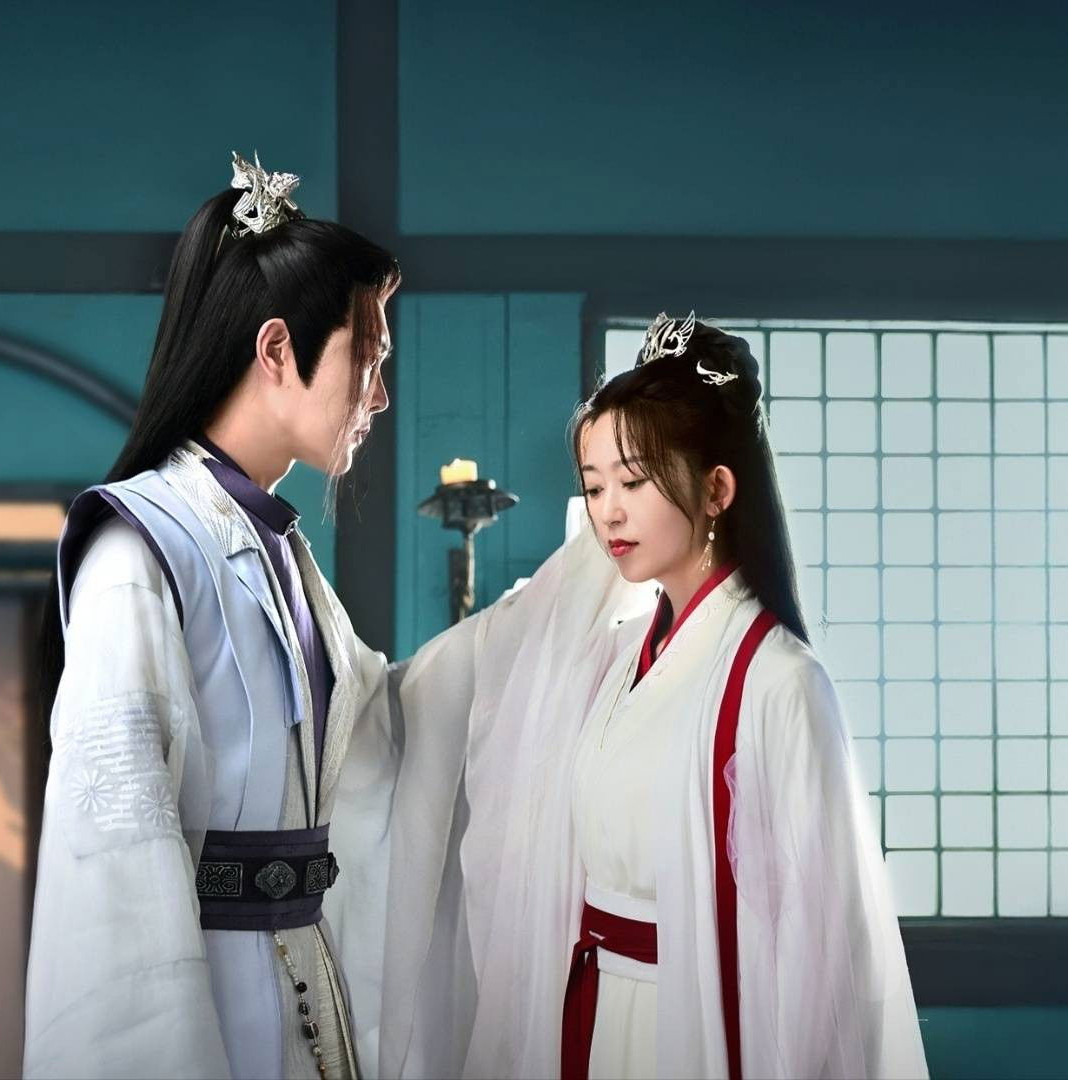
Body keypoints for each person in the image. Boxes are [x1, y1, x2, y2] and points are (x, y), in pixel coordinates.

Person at [364, 315, 928, 1079]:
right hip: (594, 1006)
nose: (609, 512)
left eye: (633, 482)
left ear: (717, 488)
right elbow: (482, 669)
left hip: (696, 1020)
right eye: (594, 486)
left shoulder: (780, 681)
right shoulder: (616, 655)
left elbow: (825, 950)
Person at [23, 152, 400, 1080]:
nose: (380, 395)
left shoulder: (279, 550)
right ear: (276, 351)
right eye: (368, 359)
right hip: (207, 1011)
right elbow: (112, 867)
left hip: (304, 983)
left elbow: (392, 725)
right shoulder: (139, 552)